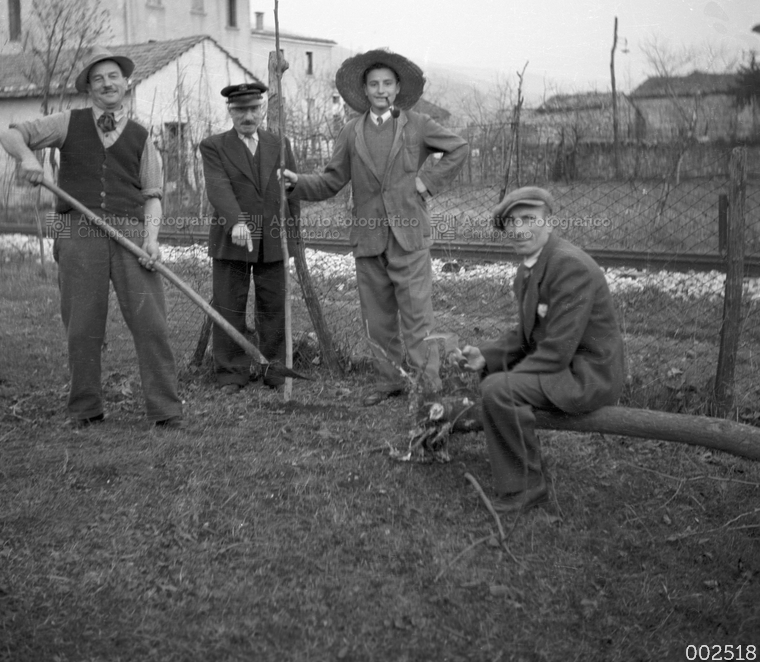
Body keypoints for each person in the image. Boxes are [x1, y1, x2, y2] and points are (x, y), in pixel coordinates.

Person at [0, 47, 184, 429]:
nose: (106, 83)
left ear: (125, 82)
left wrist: (151, 240)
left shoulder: (141, 136)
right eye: (97, 78)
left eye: (113, 75)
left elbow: (152, 196)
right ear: (89, 88)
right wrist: (28, 159)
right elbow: (11, 133)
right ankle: (85, 409)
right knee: (82, 325)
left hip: (130, 230)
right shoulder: (68, 121)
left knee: (152, 323)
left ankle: (165, 410)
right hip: (75, 229)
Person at [284, 49, 468, 406]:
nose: (381, 90)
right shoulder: (351, 132)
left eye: (387, 83)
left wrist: (425, 181)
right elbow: (331, 179)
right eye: (374, 84)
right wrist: (297, 183)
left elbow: (458, 149)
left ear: (398, 88)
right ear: (364, 91)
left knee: (417, 316)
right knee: (377, 318)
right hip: (368, 239)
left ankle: (425, 386)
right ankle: (389, 382)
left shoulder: (418, 124)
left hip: (408, 236)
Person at [452, 187, 625, 513]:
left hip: (588, 374)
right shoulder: (532, 267)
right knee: (496, 381)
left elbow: (557, 350)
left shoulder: (569, 266)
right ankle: (520, 478)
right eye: (511, 223)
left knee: (499, 389)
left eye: (529, 219)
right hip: (565, 364)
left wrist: (506, 379)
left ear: (549, 222)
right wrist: (486, 356)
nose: (519, 230)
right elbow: (527, 334)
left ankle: (528, 487)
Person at [199, 81, 300, 394]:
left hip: (272, 238)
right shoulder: (214, 146)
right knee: (229, 305)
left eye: (254, 108)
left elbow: (292, 192)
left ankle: (275, 370)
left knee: (274, 306)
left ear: (263, 109)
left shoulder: (279, 144)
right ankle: (231, 373)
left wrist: (293, 236)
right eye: (240, 110)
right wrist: (236, 221)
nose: (248, 116)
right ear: (230, 111)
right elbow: (218, 186)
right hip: (233, 239)